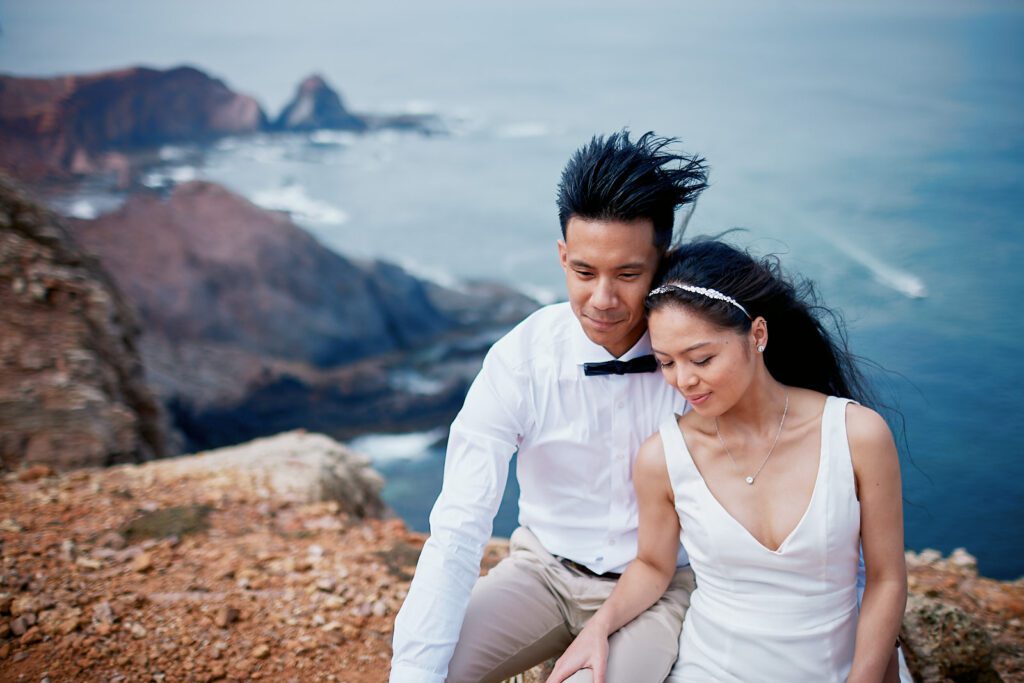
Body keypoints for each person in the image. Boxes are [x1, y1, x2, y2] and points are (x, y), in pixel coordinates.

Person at [388, 131, 710, 683]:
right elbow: (460, 524)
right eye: (584, 272)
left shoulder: (700, 363)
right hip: (542, 573)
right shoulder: (520, 359)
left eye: (628, 274)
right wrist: (415, 670)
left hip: (660, 589)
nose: (602, 299)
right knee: (431, 670)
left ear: (663, 263)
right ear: (562, 256)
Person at [547, 239, 908, 683]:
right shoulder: (663, 457)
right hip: (709, 670)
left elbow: (887, 579)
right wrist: (597, 629)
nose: (684, 380)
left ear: (757, 335)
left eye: (701, 359)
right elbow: (653, 566)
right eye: (666, 363)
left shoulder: (857, 435)